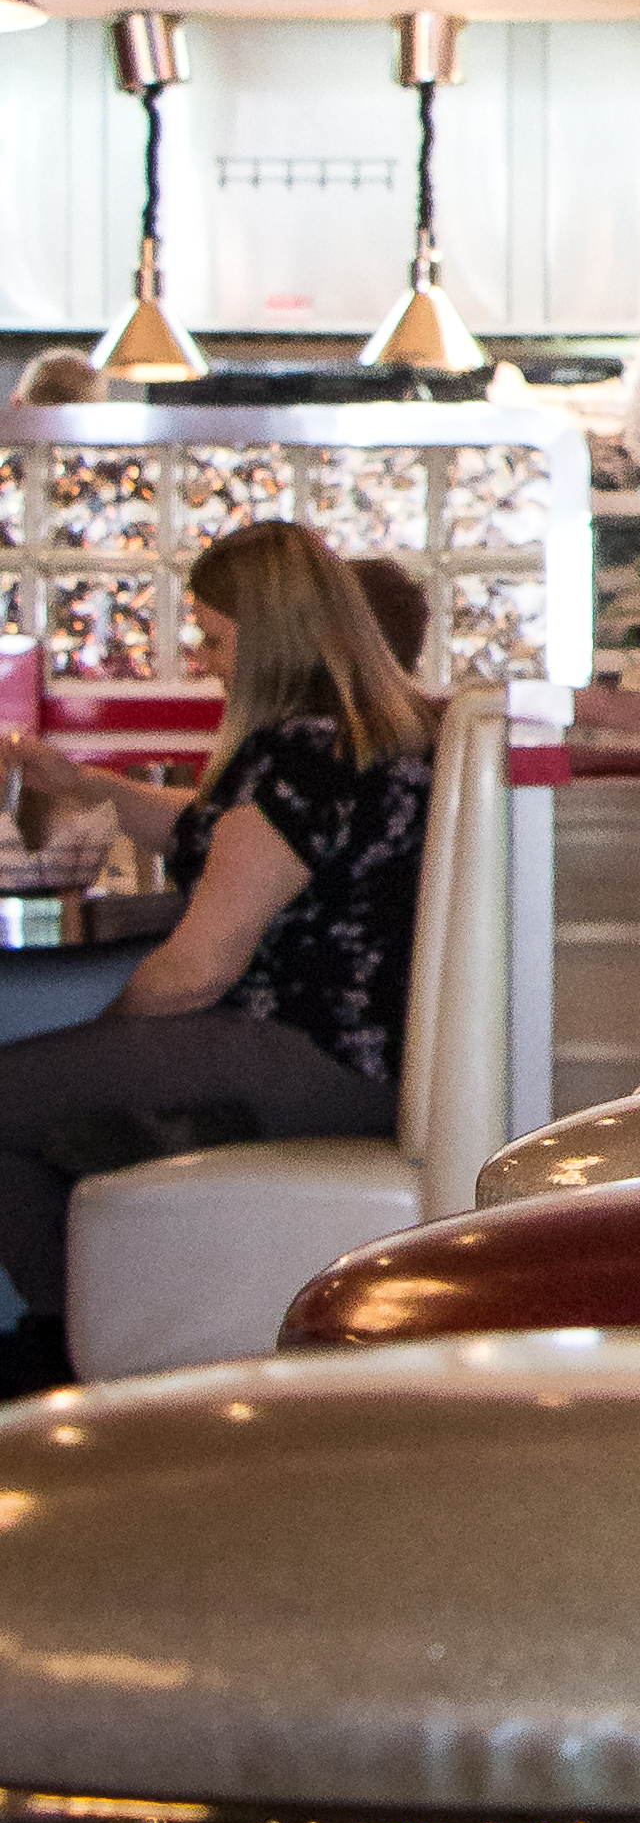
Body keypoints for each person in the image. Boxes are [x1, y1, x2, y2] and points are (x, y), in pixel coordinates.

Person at [0, 521, 436, 1391]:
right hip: (356, 1056)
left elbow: (201, 966)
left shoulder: (302, 756)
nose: (207, 659)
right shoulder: (358, 740)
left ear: (269, 636)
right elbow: (211, 832)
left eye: (215, 637)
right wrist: (90, 788)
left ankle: (62, 1363)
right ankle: (68, 1340)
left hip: (305, 1055)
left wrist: (107, 1038)